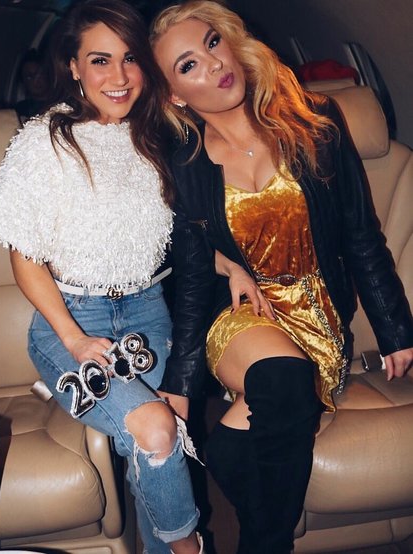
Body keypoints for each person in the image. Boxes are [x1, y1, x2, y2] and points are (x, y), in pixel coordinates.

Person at [150, 2, 413, 553]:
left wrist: (395, 330)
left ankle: (248, 511)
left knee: (244, 441)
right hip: (243, 318)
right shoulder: (186, 165)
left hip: (318, 316)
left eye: (213, 43)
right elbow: (194, 279)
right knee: (282, 380)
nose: (213, 64)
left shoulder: (315, 121)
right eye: (188, 65)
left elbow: (361, 235)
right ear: (175, 95)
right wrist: (180, 383)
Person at [0, 2, 204, 553]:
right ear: (74, 66)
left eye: (130, 58)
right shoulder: (46, 139)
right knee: (156, 430)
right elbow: (25, 258)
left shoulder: (156, 136)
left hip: (149, 312)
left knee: (155, 448)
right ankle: (190, 549)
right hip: (71, 320)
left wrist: (231, 267)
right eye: (100, 60)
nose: (118, 76)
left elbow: (184, 233)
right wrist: (76, 340)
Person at [15, 48, 50, 119]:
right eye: (30, 76)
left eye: (39, 74)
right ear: (24, 81)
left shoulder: (61, 105)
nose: (36, 80)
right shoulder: (20, 110)